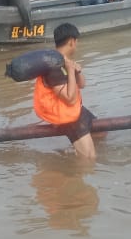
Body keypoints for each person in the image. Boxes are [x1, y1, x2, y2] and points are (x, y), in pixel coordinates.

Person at [33, 23, 96, 160]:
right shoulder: (53, 67)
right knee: (89, 158)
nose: (77, 45)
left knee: (101, 134)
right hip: (64, 114)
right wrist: (71, 71)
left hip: (74, 109)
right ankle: (72, 176)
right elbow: (70, 98)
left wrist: (77, 71)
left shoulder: (64, 61)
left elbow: (82, 84)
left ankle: (65, 156)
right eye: (76, 42)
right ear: (71, 41)